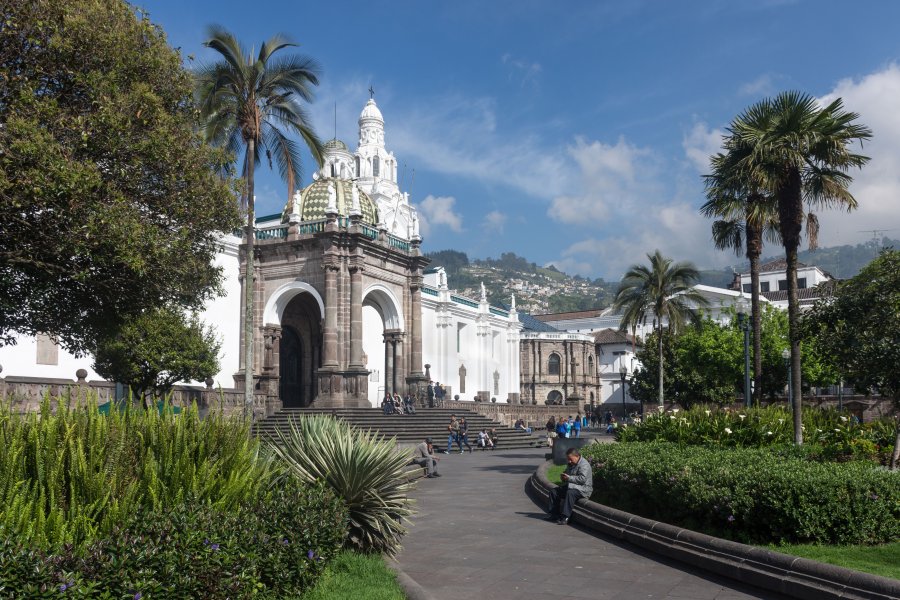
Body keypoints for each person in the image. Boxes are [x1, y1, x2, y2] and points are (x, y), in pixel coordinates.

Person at [546, 447, 593, 525]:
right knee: (554, 491)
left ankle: (565, 517)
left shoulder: (584, 465)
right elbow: (567, 474)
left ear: (577, 456)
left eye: (570, 459)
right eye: (568, 459)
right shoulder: (571, 463)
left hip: (583, 489)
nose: (569, 461)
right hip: (572, 486)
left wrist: (569, 478)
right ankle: (554, 514)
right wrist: (564, 477)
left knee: (570, 493)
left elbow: (582, 479)